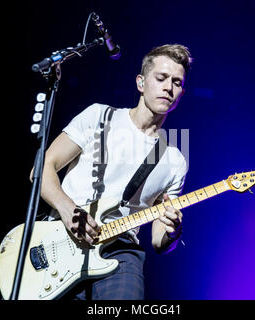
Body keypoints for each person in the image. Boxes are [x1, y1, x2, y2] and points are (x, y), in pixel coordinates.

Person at [35, 44, 192, 299]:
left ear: (181, 93)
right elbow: (42, 169)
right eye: (161, 78)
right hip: (60, 238)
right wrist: (68, 209)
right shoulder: (99, 116)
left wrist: (172, 233)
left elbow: (158, 241)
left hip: (120, 252)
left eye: (176, 82)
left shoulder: (174, 160)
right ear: (141, 83)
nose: (168, 87)